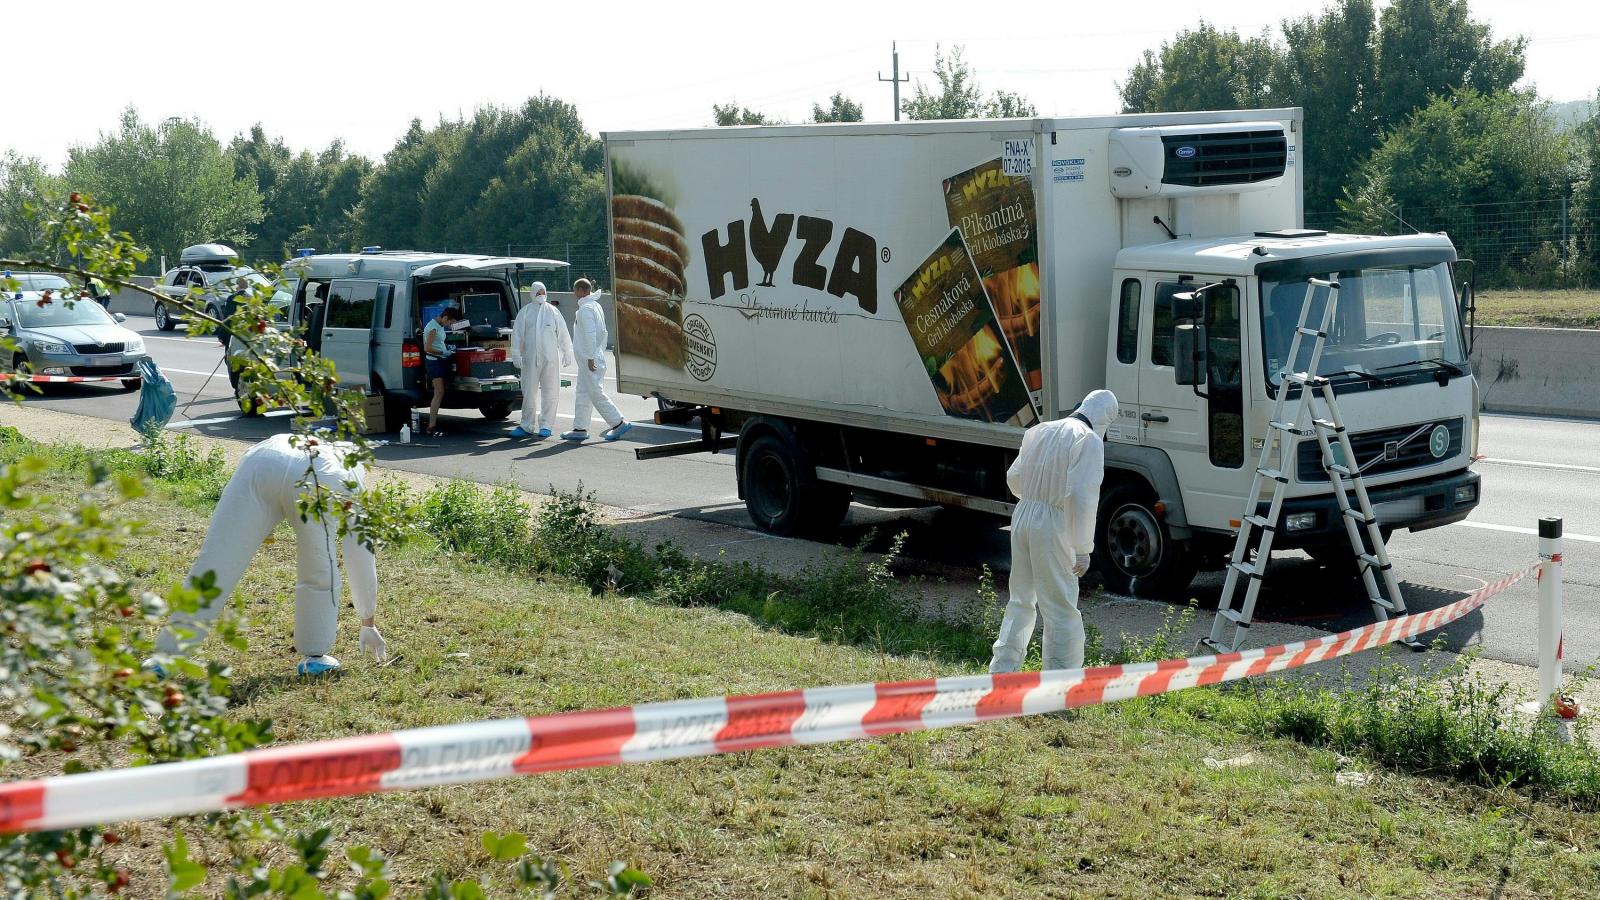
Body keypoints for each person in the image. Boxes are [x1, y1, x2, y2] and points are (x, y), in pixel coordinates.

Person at [151, 434, 388, 676]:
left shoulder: (293, 443)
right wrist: (367, 622)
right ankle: (315, 657)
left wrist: (262, 526)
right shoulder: (351, 478)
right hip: (316, 481)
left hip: (261, 462)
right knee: (318, 569)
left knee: (216, 561)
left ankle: (167, 656)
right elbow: (360, 551)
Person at [988, 389, 1119, 674]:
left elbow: (1014, 479)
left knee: (1020, 600)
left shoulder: (1039, 430)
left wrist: (1038, 495)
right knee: (1060, 607)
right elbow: (1080, 497)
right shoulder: (1089, 440)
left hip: (1024, 514)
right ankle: (1060, 686)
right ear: (1104, 419)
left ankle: (1002, 672)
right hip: (1053, 522)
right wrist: (1083, 548)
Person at [561, 279, 631, 442]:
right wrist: (595, 354)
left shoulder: (586, 309)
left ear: (581, 290)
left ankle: (619, 423)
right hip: (590, 358)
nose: (573, 293)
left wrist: (591, 357)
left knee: (595, 392)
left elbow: (591, 334)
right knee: (583, 393)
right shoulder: (594, 305)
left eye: (574, 290)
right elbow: (604, 333)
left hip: (590, 359)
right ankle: (580, 428)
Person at [508, 280, 573, 439]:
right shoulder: (525, 312)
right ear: (532, 293)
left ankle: (546, 425)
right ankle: (526, 425)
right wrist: (516, 353)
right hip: (530, 359)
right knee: (529, 392)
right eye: (538, 293)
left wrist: (567, 351)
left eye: (543, 292)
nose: (541, 295)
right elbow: (517, 335)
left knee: (551, 392)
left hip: (550, 359)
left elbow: (563, 332)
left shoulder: (553, 311)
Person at [423, 306, 462, 437]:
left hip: (440, 359)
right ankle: (431, 426)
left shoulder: (439, 326)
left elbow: (437, 343)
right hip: (434, 362)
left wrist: (446, 349)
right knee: (438, 392)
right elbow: (427, 348)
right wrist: (443, 352)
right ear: (445, 318)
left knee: (440, 392)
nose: (450, 325)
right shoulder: (433, 327)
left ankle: (432, 425)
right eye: (450, 322)